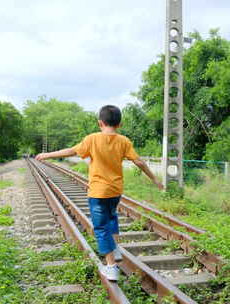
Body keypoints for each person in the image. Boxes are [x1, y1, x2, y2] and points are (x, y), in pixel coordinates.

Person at [35, 105, 163, 281]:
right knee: (112, 217)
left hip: (98, 192)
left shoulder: (92, 139)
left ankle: (111, 267)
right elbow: (139, 161)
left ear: (100, 123)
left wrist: (47, 154)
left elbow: (71, 151)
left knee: (101, 228)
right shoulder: (124, 141)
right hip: (115, 190)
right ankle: (115, 248)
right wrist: (154, 179)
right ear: (120, 124)